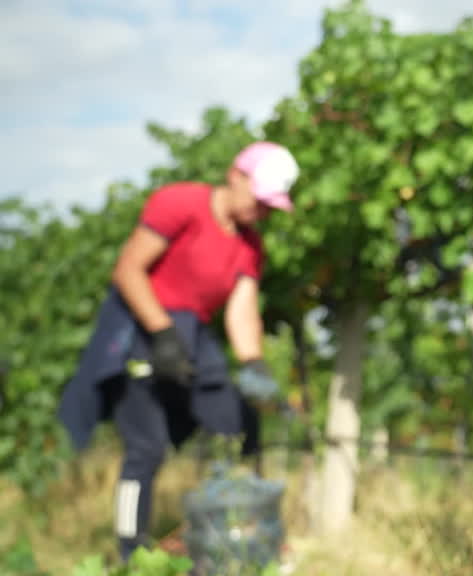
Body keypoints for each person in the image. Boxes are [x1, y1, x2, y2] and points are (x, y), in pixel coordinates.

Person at [58, 141, 298, 560]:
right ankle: (131, 553)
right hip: (141, 326)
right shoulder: (181, 203)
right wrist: (162, 333)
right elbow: (129, 269)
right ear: (235, 176)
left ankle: (225, 537)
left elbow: (242, 313)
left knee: (234, 422)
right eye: (259, 201)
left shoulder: (249, 247)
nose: (262, 212)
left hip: (194, 337)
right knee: (146, 448)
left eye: (269, 207)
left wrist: (255, 363)